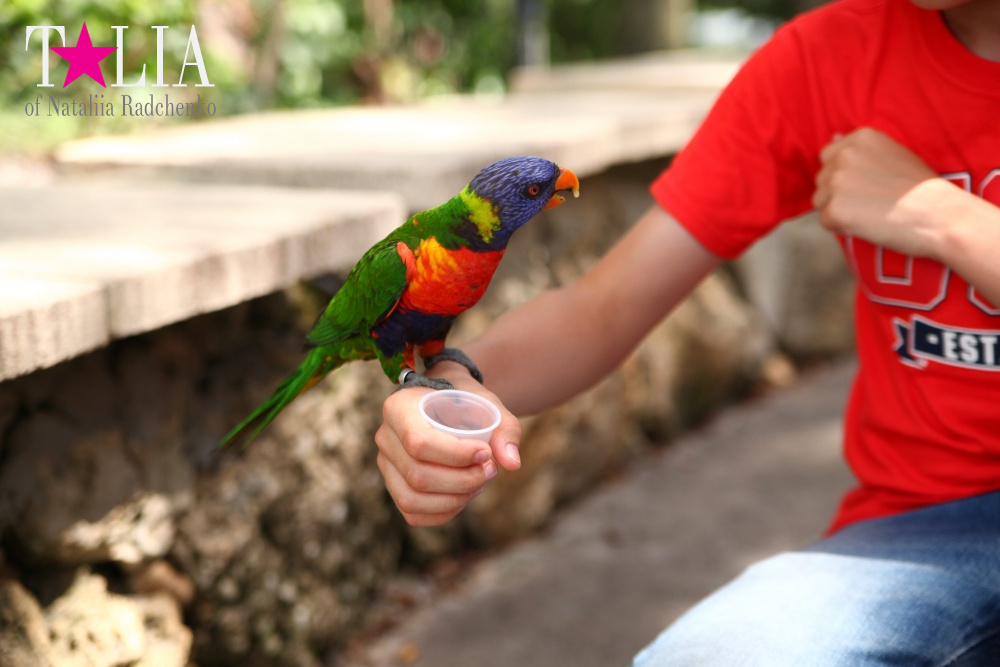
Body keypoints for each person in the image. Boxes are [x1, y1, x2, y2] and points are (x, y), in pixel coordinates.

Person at [375, 0, 1000, 662]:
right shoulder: (832, 56)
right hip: (921, 530)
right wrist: (451, 386)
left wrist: (945, 219)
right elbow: (604, 304)